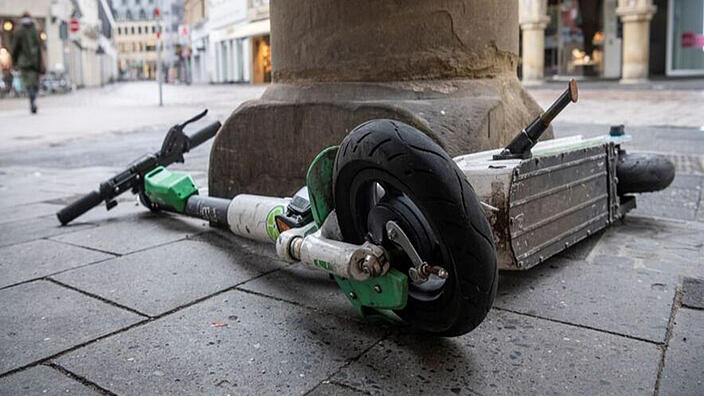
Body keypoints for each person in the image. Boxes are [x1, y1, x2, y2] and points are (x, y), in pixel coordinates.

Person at [11, 12, 43, 114]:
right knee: (34, 82)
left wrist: (14, 61)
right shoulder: (36, 30)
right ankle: (33, 98)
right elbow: (40, 46)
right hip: (35, 61)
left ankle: (32, 99)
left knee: (28, 83)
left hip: (24, 62)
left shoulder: (18, 32)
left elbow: (15, 48)